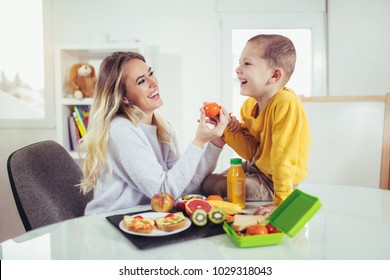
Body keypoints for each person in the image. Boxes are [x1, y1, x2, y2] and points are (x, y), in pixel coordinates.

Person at [79, 51, 229, 215]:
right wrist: (198, 141)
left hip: (144, 218)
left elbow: (183, 186)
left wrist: (215, 143)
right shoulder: (121, 130)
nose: (153, 83)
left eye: (150, 73)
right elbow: (163, 192)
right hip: (110, 223)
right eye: (141, 81)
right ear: (124, 98)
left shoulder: (164, 128)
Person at [202, 34, 311, 216]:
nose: (238, 69)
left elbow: (283, 157)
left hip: (276, 181)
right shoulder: (249, 106)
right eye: (239, 62)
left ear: (274, 75)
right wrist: (228, 128)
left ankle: (282, 196)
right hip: (259, 167)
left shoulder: (286, 103)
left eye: (247, 63)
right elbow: (251, 152)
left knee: (218, 185)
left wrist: (281, 203)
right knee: (207, 181)